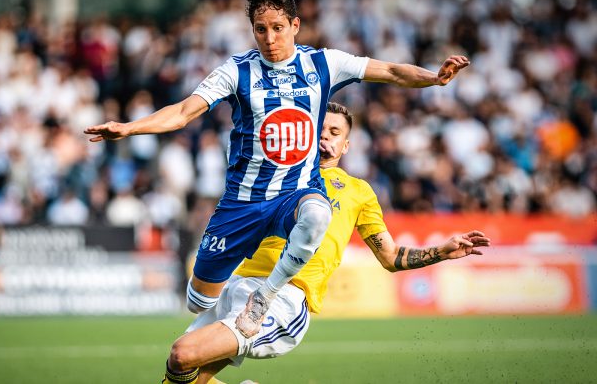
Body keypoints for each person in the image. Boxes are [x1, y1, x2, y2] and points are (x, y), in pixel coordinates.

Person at [85, 0, 469, 345]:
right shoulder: (235, 72)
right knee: (197, 303)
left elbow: (391, 71)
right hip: (242, 205)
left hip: (293, 195)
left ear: (295, 26)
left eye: (278, 28)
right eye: (260, 30)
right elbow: (184, 112)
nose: (270, 39)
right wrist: (129, 128)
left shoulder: (325, 64)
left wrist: (434, 79)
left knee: (318, 213)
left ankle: (265, 297)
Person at [161, 103, 491, 384]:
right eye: (320, 129)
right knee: (178, 372)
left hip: (283, 298)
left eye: (335, 133)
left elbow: (390, 257)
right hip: (237, 285)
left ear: (346, 146)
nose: (325, 137)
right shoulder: (275, 175)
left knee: (182, 353)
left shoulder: (358, 192)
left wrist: (441, 252)